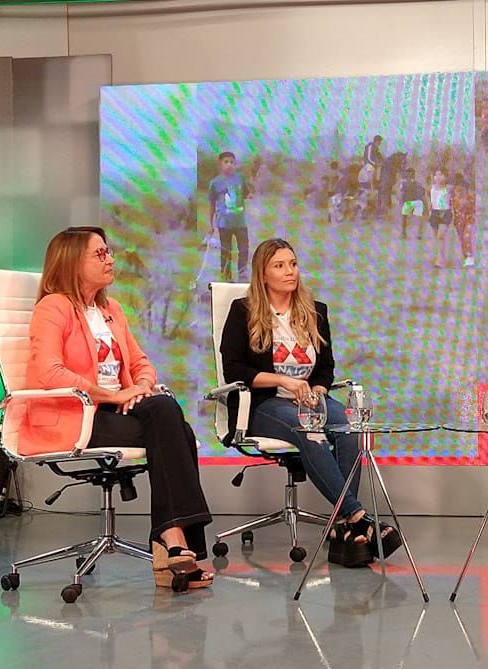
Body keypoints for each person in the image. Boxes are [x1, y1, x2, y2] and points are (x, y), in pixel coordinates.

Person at [23, 226, 214, 589]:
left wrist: (140, 387)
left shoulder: (111, 309)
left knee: (163, 408)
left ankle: (172, 542)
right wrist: (113, 395)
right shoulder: (54, 307)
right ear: (71, 262)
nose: (110, 259)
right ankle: (172, 542)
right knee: (177, 425)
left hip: (117, 410)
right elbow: (49, 372)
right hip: (75, 416)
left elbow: (141, 362)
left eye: (109, 252)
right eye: (100, 254)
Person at [219, 238, 401, 568]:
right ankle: (356, 518)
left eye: (293, 263)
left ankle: (344, 529)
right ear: (262, 274)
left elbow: (326, 367)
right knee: (310, 430)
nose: (290, 271)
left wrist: (317, 388)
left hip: (309, 399)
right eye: (279, 265)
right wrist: (283, 380)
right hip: (264, 404)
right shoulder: (243, 311)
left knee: (349, 429)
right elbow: (234, 369)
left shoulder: (315, 311)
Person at [207, 151, 250, 280]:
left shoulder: (240, 179)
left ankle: (242, 271)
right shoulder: (215, 183)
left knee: (244, 248)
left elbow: (246, 193)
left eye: (232, 162)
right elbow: (211, 204)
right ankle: (226, 275)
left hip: (240, 222)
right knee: (226, 250)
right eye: (226, 162)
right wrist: (210, 225)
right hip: (224, 223)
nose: (229, 165)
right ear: (220, 164)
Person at [428, 169, 453, 267]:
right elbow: (429, 198)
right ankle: (440, 256)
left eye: (441, 175)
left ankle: (440, 260)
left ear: (446, 177)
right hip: (434, 213)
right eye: (436, 175)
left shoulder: (449, 188)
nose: (438, 177)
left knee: (440, 236)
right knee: (437, 238)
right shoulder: (431, 187)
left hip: (445, 213)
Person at [450, 173, 476, 268]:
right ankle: (466, 256)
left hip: (468, 219)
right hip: (458, 221)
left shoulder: (470, 198)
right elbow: (452, 209)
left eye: (461, 189)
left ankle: (469, 256)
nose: (459, 191)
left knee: (466, 237)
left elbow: (473, 209)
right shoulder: (453, 198)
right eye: (457, 190)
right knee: (462, 239)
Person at [398, 167, 426, 240]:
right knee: (405, 217)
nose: (410, 175)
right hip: (410, 202)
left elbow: (423, 192)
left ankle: (416, 233)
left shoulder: (416, 183)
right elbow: (401, 193)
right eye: (409, 173)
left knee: (415, 218)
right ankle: (406, 233)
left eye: (411, 173)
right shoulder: (405, 183)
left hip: (414, 201)